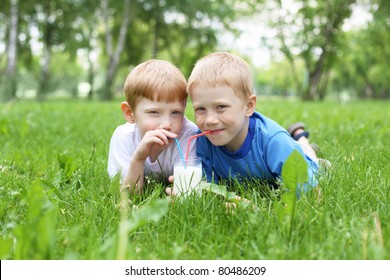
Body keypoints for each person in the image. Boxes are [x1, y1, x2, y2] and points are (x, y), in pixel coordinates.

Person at [186, 52, 322, 194]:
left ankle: (300, 137)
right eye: (200, 109)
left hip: (297, 156)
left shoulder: (274, 142)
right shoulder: (202, 140)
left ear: (249, 106)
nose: (210, 120)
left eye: (221, 107)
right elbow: (206, 189)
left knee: (311, 157)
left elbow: (312, 195)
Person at [108, 59, 198, 194]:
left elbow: (189, 190)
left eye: (176, 112)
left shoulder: (188, 135)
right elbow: (128, 194)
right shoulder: (123, 137)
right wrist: (139, 157)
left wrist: (181, 192)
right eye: (154, 112)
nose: (167, 124)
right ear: (130, 113)